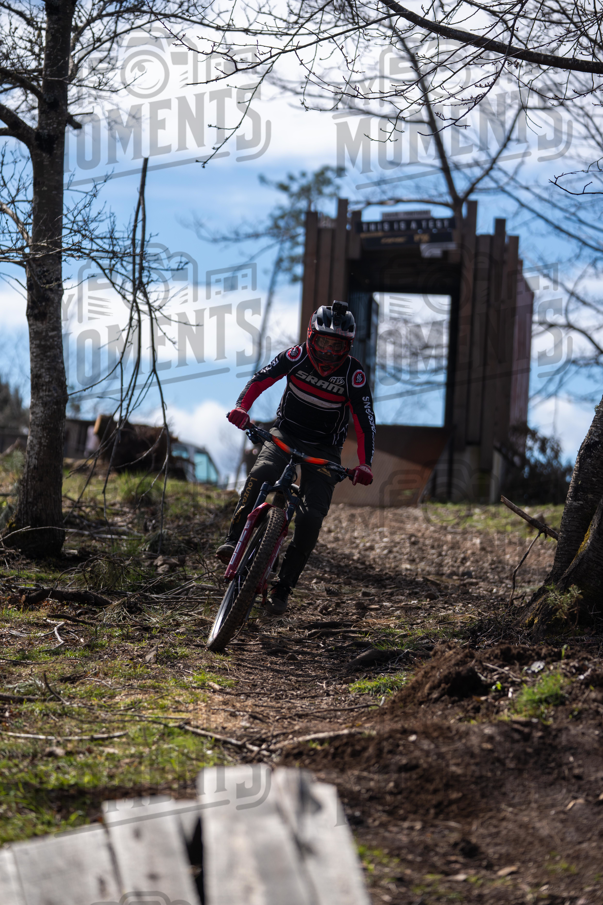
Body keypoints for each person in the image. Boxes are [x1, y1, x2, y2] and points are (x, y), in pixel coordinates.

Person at [216, 300, 376, 615]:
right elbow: (262, 379)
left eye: (337, 346)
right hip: (285, 434)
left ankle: (283, 588)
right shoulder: (295, 355)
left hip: (325, 450)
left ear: (348, 347)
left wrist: (365, 463)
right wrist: (242, 407)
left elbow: (364, 420)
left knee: (311, 517)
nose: (329, 352)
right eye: (323, 342)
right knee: (262, 472)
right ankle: (234, 538)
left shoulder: (353, 375)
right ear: (310, 337)